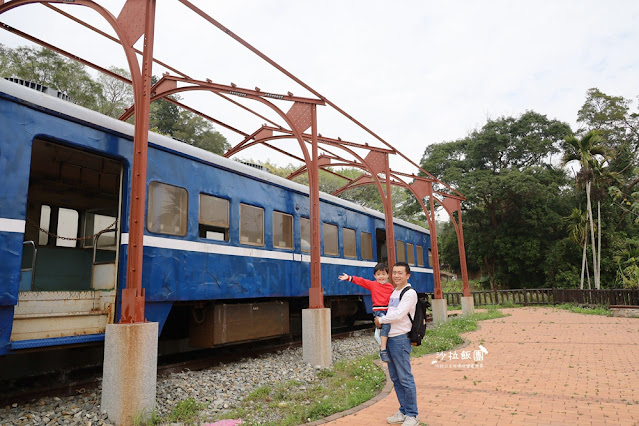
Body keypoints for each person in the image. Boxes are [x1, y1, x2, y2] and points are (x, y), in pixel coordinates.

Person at [375, 262, 418, 426]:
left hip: (400, 339)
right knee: (396, 378)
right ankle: (403, 411)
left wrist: (380, 320)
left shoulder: (410, 293)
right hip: (391, 338)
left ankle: (412, 415)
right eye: (394, 273)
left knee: (405, 378)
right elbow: (391, 312)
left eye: (400, 273)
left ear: (408, 275)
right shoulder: (394, 291)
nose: (396, 276)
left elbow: (399, 315)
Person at [338, 263, 394, 362]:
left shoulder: (390, 287)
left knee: (387, 329)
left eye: (383, 274)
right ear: (375, 276)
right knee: (386, 325)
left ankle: (385, 344)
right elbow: (361, 281)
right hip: (378, 311)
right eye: (378, 274)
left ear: (388, 275)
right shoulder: (373, 284)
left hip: (388, 310)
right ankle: (383, 350)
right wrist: (349, 278)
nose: (381, 277)